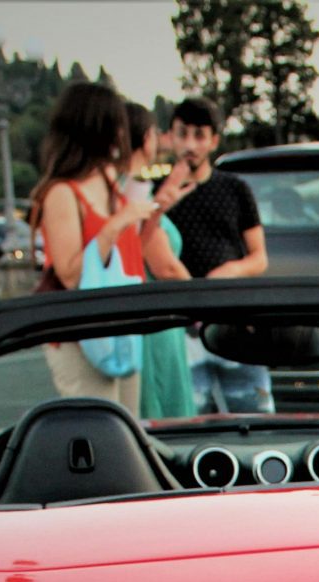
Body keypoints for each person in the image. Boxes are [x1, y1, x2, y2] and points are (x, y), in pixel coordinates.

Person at [30, 82, 174, 410]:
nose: (122, 134)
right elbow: (70, 274)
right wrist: (113, 226)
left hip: (119, 324)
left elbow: (130, 253)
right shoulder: (62, 193)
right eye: (117, 123)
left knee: (127, 425)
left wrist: (153, 213)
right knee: (98, 425)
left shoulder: (110, 185)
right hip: (80, 332)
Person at [165, 98, 275, 415]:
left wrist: (230, 271)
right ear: (170, 137)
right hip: (180, 328)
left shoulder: (235, 189)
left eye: (199, 135)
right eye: (182, 134)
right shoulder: (158, 194)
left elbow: (259, 258)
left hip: (233, 321)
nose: (190, 145)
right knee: (187, 421)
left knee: (254, 415)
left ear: (213, 141)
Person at [126, 104, 198, 422]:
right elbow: (162, 264)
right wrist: (201, 298)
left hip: (151, 314)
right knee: (166, 409)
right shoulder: (133, 191)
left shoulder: (131, 187)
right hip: (156, 320)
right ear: (145, 139)